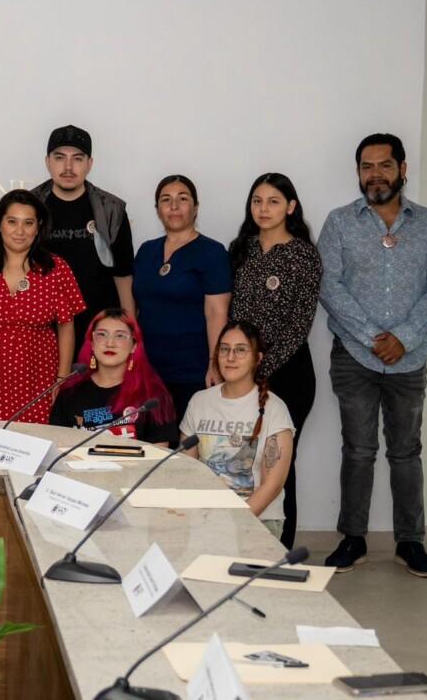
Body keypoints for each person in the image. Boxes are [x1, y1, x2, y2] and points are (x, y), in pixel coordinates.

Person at [319, 133, 427, 577]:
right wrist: (376, 336)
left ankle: (410, 542)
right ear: (357, 172)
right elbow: (329, 286)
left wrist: (406, 337)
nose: (375, 174)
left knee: (406, 451)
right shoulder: (339, 223)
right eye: (367, 167)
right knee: (357, 449)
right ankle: (353, 539)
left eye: (384, 166)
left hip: (410, 359)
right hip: (354, 356)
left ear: (402, 169)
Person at [0, 125, 134, 339]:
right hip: (43, 333)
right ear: (48, 162)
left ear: (90, 164)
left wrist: (130, 331)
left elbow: (123, 277)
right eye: (60, 157)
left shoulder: (112, 209)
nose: (68, 167)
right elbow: (7, 252)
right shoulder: (31, 206)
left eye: (78, 159)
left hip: (100, 331)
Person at [227, 173, 321, 548]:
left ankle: (280, 548)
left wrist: (259, 368)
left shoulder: (303, 254)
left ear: (291, 207)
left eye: (273, 201)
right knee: (239, 459)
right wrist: (239, 366)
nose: (263, 209)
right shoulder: (241, 249)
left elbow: (300, 324)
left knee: (277, 464)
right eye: (257, 201)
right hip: (241, 373)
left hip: (289, 374)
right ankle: (243, 543)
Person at [0, 190, 85, 423]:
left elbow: (67, 327)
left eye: (28, 223)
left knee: (36, 449)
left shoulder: (57, 269)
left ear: (39, 227)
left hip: (40, 382)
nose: (20, 231)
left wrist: (62, 379)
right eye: (12, 221)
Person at [181, 322, 295, 538]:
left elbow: (272, 486)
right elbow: (188, 470)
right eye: (224, 349)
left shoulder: (275, 409)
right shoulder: (199, 401)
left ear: (257, 358)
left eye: (241, 350)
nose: (230, 357)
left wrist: (230, 524)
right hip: (205, 519)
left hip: (258, 521)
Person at [132, 175, 231, 420]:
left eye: (182, 199)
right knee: (150, 448)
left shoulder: (212, 252)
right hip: (148, 371)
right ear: (158, 210)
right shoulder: (146, 250)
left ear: (195, 208)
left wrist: (214, 363)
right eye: (166, 200)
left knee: (187, 449)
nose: (174, 206)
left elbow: (216, 312)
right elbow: (136, 307)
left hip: (193, 371)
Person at [49, 309, 178, 447]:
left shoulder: (152, 395)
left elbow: (160, 456)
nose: (110, 343)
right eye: (102, 335)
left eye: (120, 336)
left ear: (134, 346)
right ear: (91, 343)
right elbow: (57, 447)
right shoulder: (70, 392)